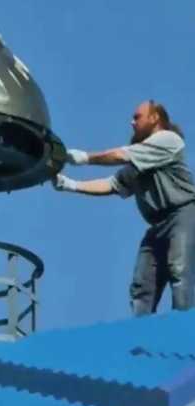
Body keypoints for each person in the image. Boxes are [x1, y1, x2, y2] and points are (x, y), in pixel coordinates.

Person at [53, 100, 195, 316]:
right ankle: (140, 334)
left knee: (180, 271)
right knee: (142, 286)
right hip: (157, 225)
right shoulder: (138, 164)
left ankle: (185, 331)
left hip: (183, 214)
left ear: (155, 118)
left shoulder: (168, 140)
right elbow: (112, 185)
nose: (132, 122)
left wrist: (85, 158)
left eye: (137, 117)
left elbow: (120, 155)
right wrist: (69, 184)